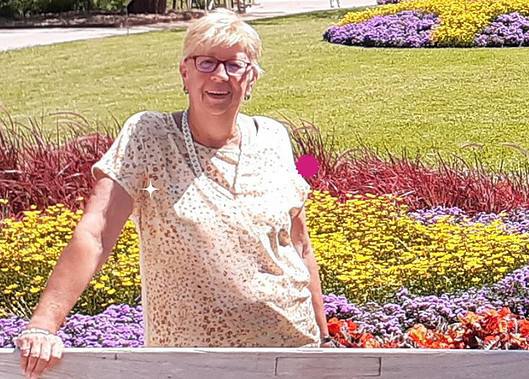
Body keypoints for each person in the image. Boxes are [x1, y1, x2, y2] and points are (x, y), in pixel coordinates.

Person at [13, 9, 337, 379]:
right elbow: (96, 232)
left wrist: (324, 342)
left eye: (235, 65)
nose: (220, 76)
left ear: (252, 79)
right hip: (187, 363)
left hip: (290, 353)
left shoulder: (273, 137)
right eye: (206, 62)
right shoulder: (149, 136)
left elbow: (299, 243)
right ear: (185, 73)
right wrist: (43, 325)